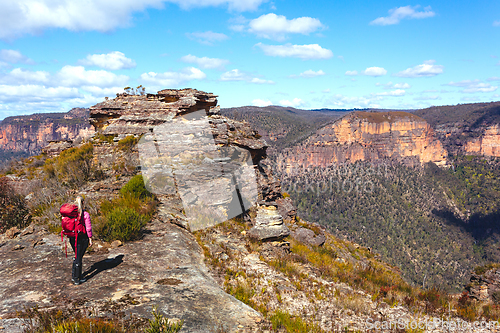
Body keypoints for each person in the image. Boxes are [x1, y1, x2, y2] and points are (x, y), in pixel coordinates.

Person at [69, 196, 93, 285]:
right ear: (83, 203)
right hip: (82, 238)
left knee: (76, 256)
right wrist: (90, 238)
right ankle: (77, 278)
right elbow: (88, 228)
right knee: (79, 257)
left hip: (72, 237)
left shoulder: (71, 214)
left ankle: (74, 275)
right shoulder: (85, 214)